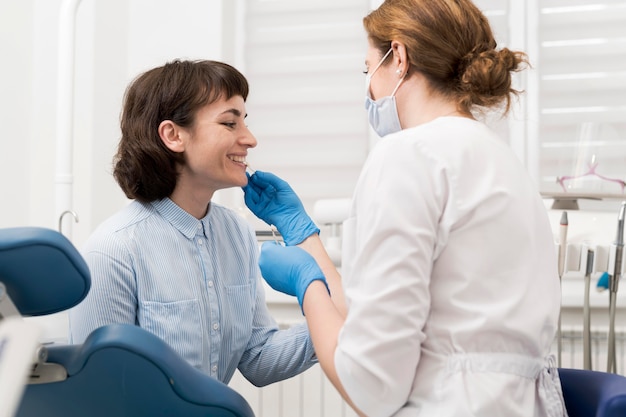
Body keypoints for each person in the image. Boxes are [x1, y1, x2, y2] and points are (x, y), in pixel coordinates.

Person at [243, 0, 568, 416]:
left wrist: (309, 289)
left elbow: (371, 387)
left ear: (398, 57)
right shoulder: (500, 159)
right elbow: (384, 315)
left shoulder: (407, 155)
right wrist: (305, 239)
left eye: (367, 70)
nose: (368, 89)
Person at [68, 59, 319, 386]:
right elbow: (100, 390)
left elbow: (258, 357)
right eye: (230, 124)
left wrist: (332, 315)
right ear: (173, 135)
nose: (250, 139)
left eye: (245, 122)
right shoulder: (113, 250)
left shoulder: (237, 234)